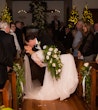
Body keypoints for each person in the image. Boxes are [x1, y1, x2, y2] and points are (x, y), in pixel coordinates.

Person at [23, 33, 78, 101]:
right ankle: (58, 90)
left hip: (62, 58)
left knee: (65, 75)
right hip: (52, 63)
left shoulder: (44, 37)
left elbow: (52, 49)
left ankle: (65, 90)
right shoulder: (34, 48)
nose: (29, 45)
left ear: (31, 40)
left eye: (28, 44)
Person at [0, 21, 16, 88]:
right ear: (6, 27)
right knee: (5, 86)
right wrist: (9, 64)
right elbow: (12, 51)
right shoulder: (9, 37)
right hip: (4, 64)